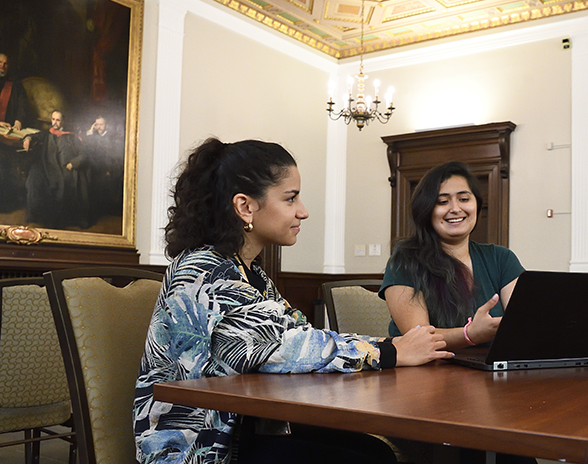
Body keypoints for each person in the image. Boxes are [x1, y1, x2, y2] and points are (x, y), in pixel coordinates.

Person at [133, 138, 452, 464]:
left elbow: (298, 334)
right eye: (290, 198)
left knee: (374, 451)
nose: (303, 211)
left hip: (243, 430)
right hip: (200, 449)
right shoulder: (202, 271)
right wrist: (391, 350)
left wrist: (390, 348)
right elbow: (288, 348)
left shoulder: (249, 273)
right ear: (245, 206)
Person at [378, 161, 532, 464]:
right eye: (442, 201)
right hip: (422, 392)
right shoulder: (405, 260)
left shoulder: (500, 257)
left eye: (464, 198)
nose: (455, 208)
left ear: (476, 204)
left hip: (492, 386)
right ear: (426, 209)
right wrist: (469, 334)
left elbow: (524, 320)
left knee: (517, 451)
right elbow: (418, 339)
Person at [22, 110, 88, 228]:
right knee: (34, 179)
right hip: (48, 168)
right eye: (53, 119)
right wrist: (28, 139)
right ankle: (36, 215)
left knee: (64, 185)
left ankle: (61, 221)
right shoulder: (48, 133)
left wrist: (73, 163)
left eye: (58, 120)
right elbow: (34, 135)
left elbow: (84, 155)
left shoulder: (72, 137)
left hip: (65, 168)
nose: (55, 122)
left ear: (63, 121)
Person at [0, 53, 33, 212]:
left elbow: (22, 104)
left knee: (7, 165)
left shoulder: (15, 84)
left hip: (8, 133)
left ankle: (6, 203)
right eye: (0, 63)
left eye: (5, 63)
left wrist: (19, 120)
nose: (2, 66)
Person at [82, 114, 124, 225]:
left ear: (106, 125)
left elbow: (114, 156)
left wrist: (109, 169)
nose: (99, 127)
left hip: (106, 169)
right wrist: (90, 131)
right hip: (94, 168)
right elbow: (87, 149)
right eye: (97, 124)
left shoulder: (111, 138)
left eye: (101, 124)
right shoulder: (93, 135)